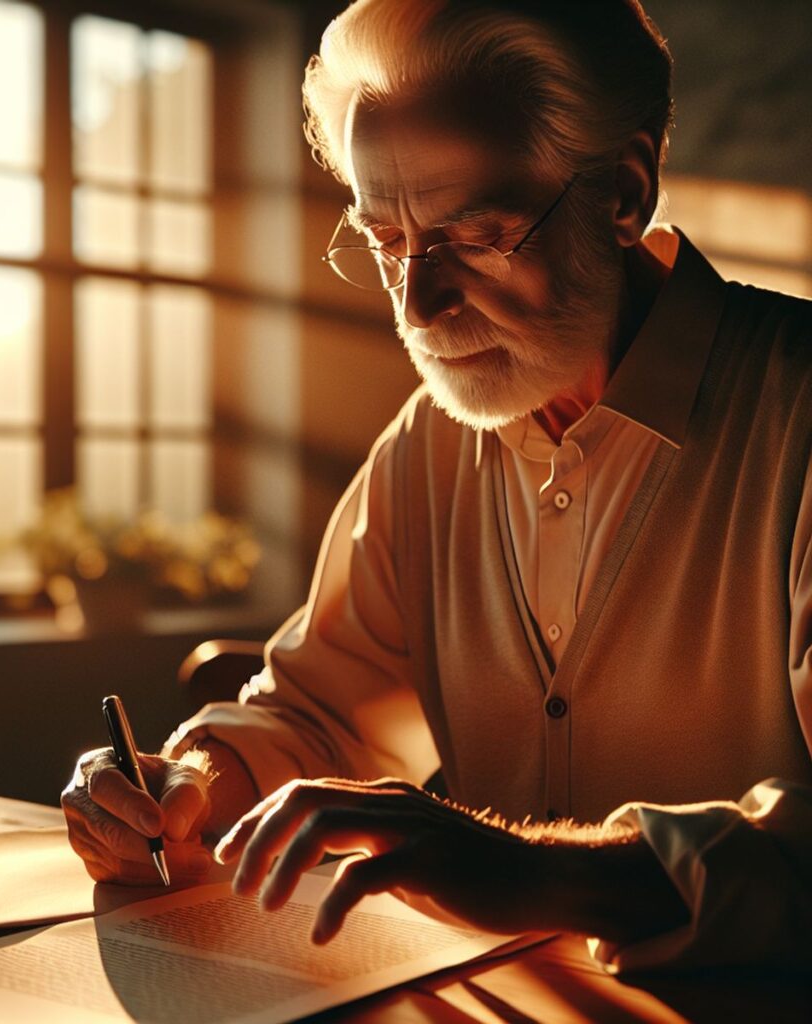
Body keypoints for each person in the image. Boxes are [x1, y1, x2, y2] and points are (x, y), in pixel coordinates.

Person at [63, 0, 812, 972]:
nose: (418, 304)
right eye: (385, 245)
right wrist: (191, 785)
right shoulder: (426, 448)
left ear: (624, 194)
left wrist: (535, 872)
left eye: (472, 234)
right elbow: (322, 713)